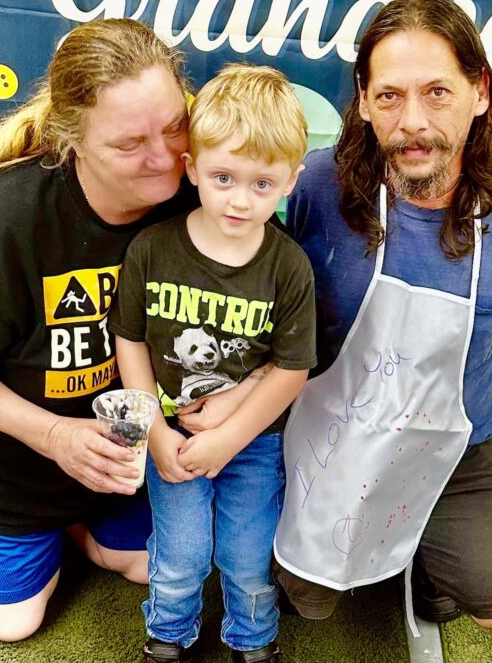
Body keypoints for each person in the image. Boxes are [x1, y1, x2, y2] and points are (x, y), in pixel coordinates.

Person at [264, 0, 492, 630]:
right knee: (311, 602)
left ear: (479, 92)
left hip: (461, 445)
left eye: (437, 92)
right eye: (389, 96)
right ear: (363, 101)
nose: (412, 122)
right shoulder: (317, 185)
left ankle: (436, 562)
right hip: (336, 439)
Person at [0, 18, 202, 642]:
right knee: (14, 623)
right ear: (73, 141)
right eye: (129, 143)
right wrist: (57, 436)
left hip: (122, 459)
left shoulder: (202, 193)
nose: (165, 156)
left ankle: (82, 529)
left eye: (173, 126)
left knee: (145, 565)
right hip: (8, 465)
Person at [109, 64, 317, 663]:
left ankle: (252, 642)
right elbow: (131, 342)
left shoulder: (288, 267)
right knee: (179, 552)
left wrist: (227, 438)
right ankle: (167, 639)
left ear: (290, 182)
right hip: (168, 435)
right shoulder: (152, 249)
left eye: (261, 183)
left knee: (247, 554)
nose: (239, 199)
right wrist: (150, 431)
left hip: (252, 443)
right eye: (223, 176)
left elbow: (290, 369)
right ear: (192, 167)